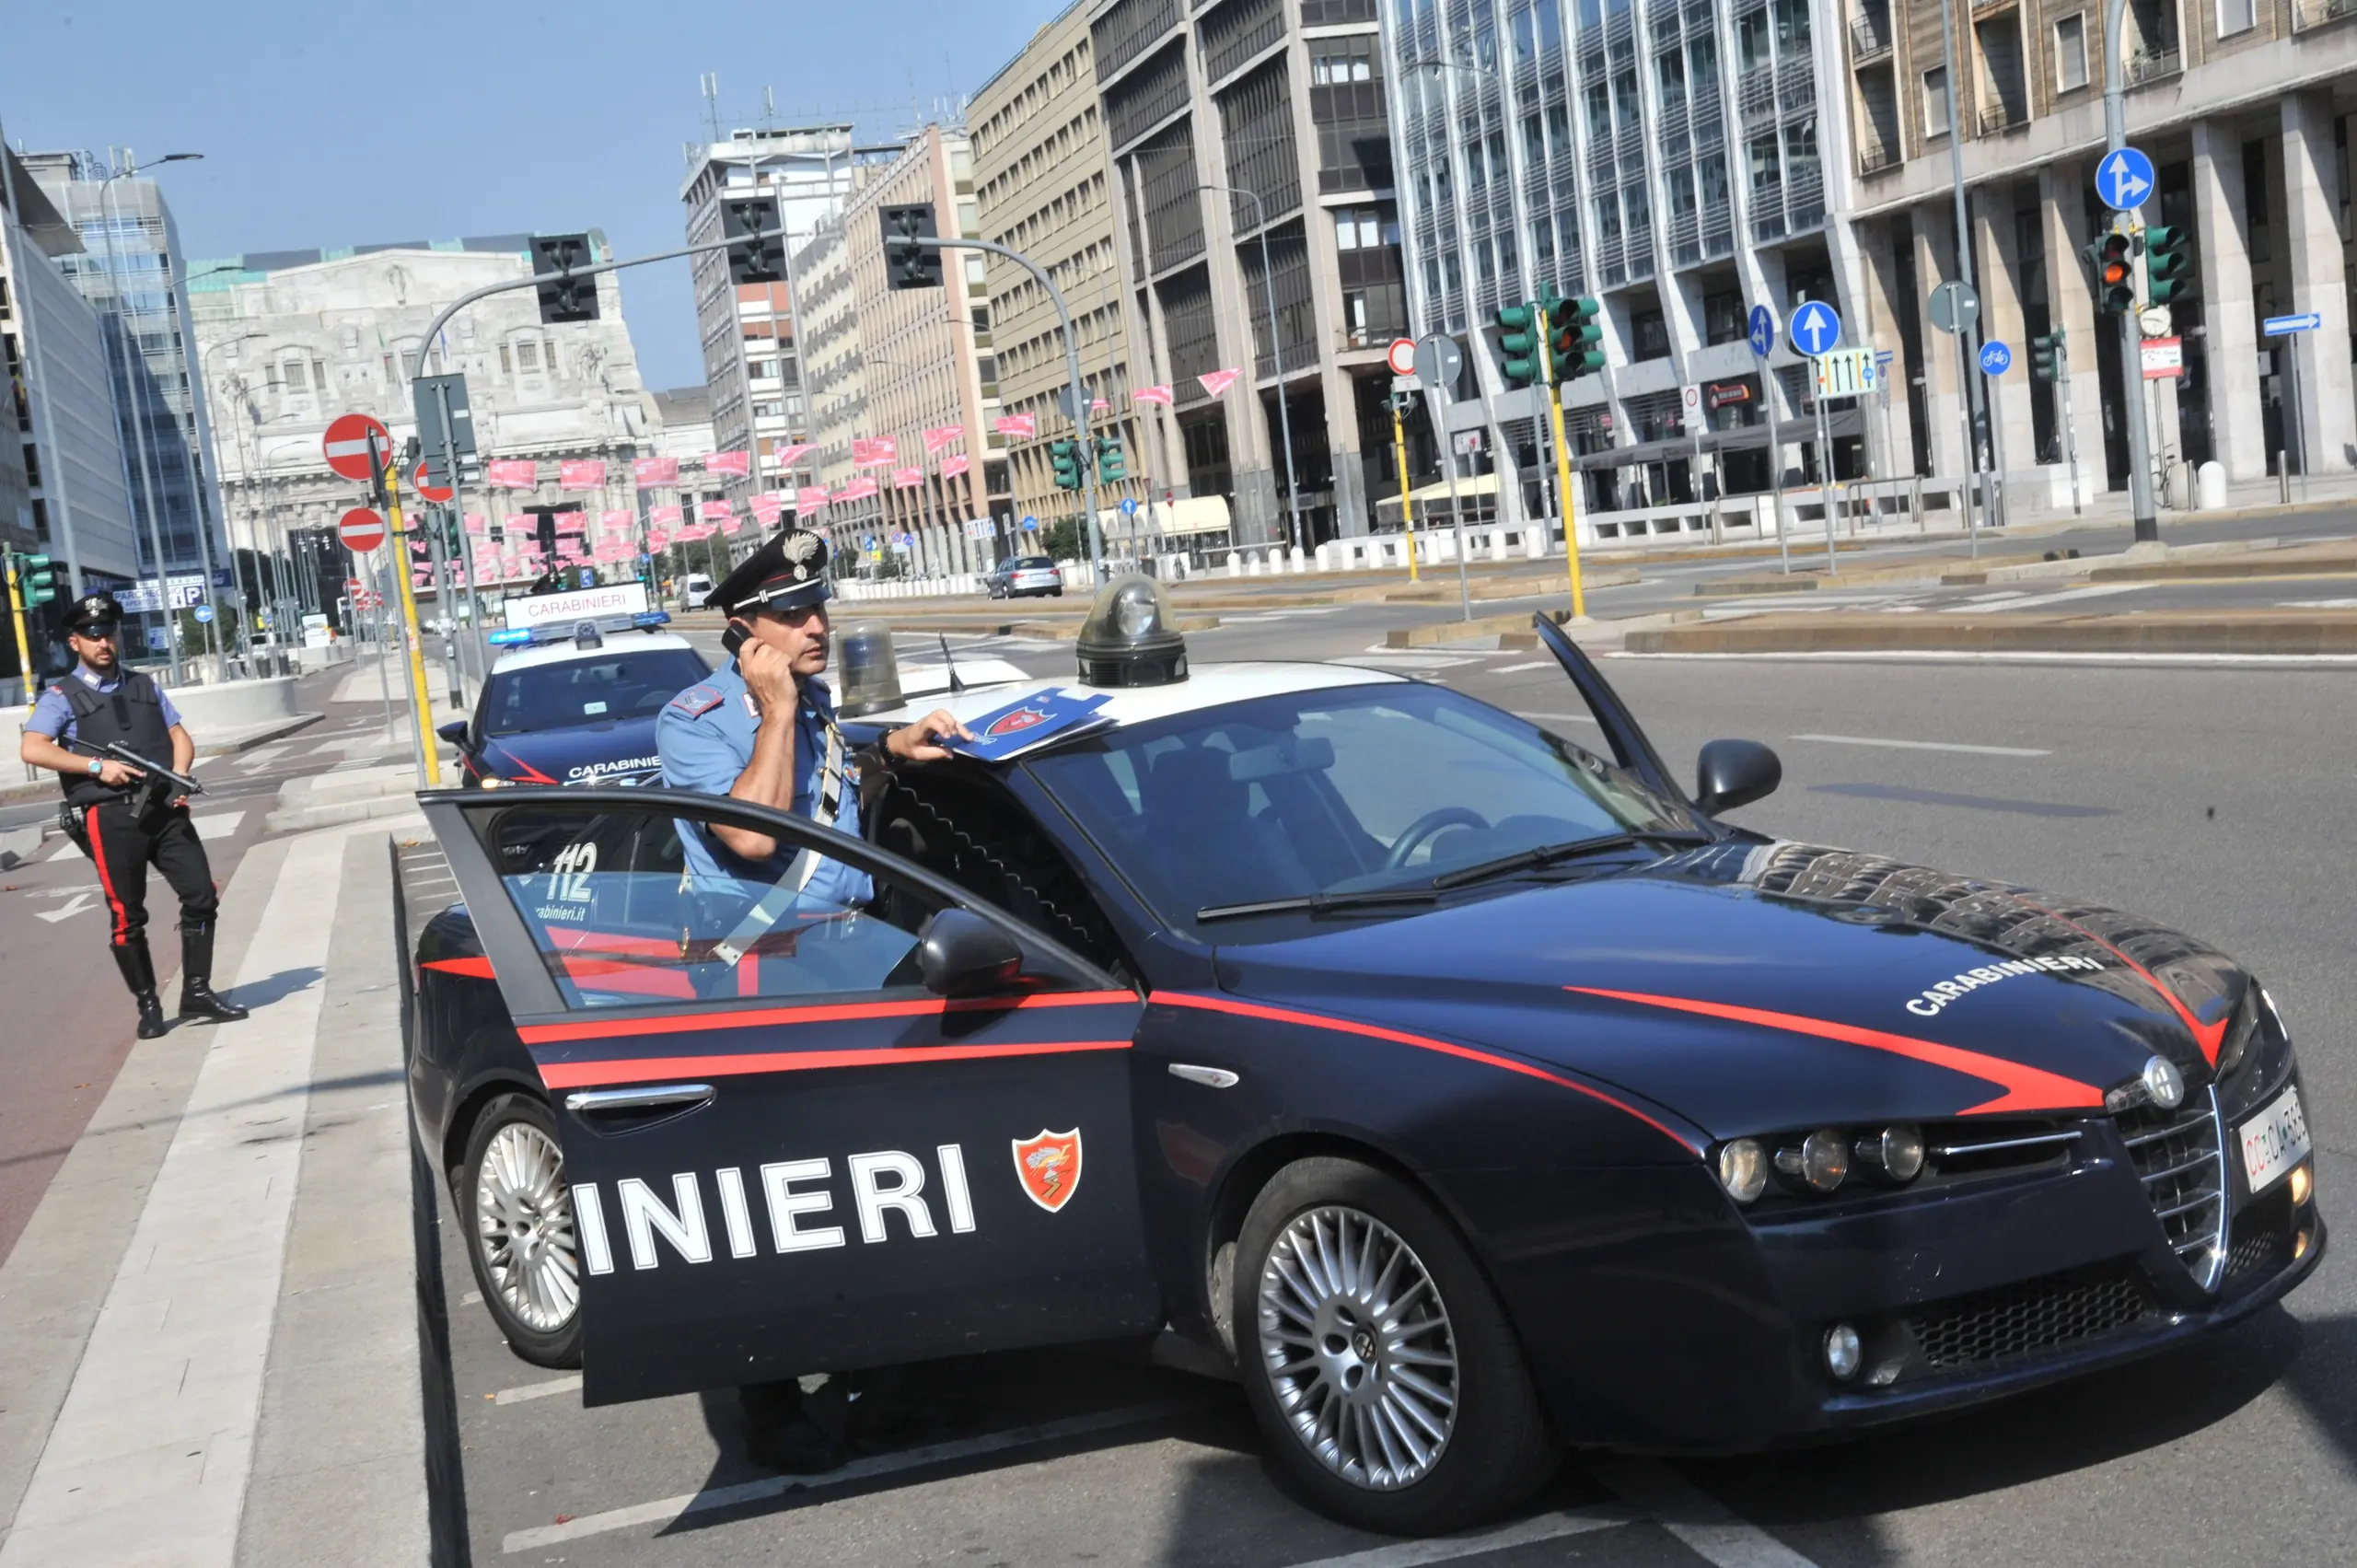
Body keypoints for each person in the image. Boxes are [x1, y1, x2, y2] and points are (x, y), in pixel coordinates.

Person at [656, 526, 973, 1474]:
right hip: (757, 973)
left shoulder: (818, 703)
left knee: (880, 1180)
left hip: (853, 958)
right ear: (744, 626)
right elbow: (754, 839)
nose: (815, 624)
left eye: (818, 606)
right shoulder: (694, 718)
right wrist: (775, 710)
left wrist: (893, 745)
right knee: (777, 1202)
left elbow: (835, 773)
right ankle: (768, 1397)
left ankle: (886, 1386)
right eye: (792, 613)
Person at [18, 594, 250, 1039]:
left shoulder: (144, 685)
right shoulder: (61, 696)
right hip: (109, 818)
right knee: (127, 915)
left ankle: (197, 991)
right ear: (74, 642)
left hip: (164, 808)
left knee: (202, 895)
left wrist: (181, 775)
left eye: (109, 633)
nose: (103, 642)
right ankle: (148, 1004)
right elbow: (33, 747)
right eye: (92, 635)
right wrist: (95, 767)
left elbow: (179, 736)